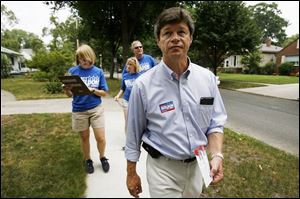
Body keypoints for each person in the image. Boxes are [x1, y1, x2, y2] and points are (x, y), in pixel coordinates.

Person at [125, 7, 227, 198]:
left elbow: (215, 123)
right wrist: (131, 173)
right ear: (158, 40)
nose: (175, 38)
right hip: (163, 170)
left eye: (181, 32)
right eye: (167, 33)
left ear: (190, 38)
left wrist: (217, 155)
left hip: (198, 166)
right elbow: (133, 134)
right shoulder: (143, 86)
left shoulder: (207, 79)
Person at [63, 44, 110, 174]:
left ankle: (102, 157)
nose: (83, 60)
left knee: (100, 138)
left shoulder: (98, 71)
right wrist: (66, 90)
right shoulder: (72, 71)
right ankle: (88, 159)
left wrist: (93, 90)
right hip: (79, 110)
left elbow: (105, 93)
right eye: (80, 58)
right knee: (84, 137)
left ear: (91, 56)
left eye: (85, 57)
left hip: (96, 109)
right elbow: (69, 95)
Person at [114, 57, 141, 150]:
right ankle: (129, 144)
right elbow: (123, 88)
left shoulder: (141, 75)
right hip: (126, 101)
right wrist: (118, 95)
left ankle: (138, 142)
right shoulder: (125, 76)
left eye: (130, 64)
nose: (128, 66)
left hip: (137, 102)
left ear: (135, 65)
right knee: (128, 123)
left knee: (138, 122)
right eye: (127, 64)